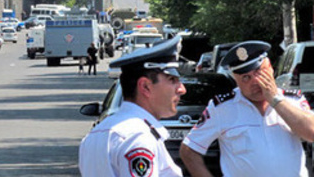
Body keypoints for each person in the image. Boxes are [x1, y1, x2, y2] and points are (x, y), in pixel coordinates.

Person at [180, 41, 314, 177]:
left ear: (271, 68)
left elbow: (311, 133)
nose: (255, 81)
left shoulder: (293, 100)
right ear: (235, 80)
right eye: (246, 77)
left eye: (259, 72)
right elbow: (189, 149)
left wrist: (276, 100)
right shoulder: (222, 108)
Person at [79, 36, 186, 177]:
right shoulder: (137, 137)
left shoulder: (97, 134)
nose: (181, 89)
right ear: (145, 86)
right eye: (172, 80)